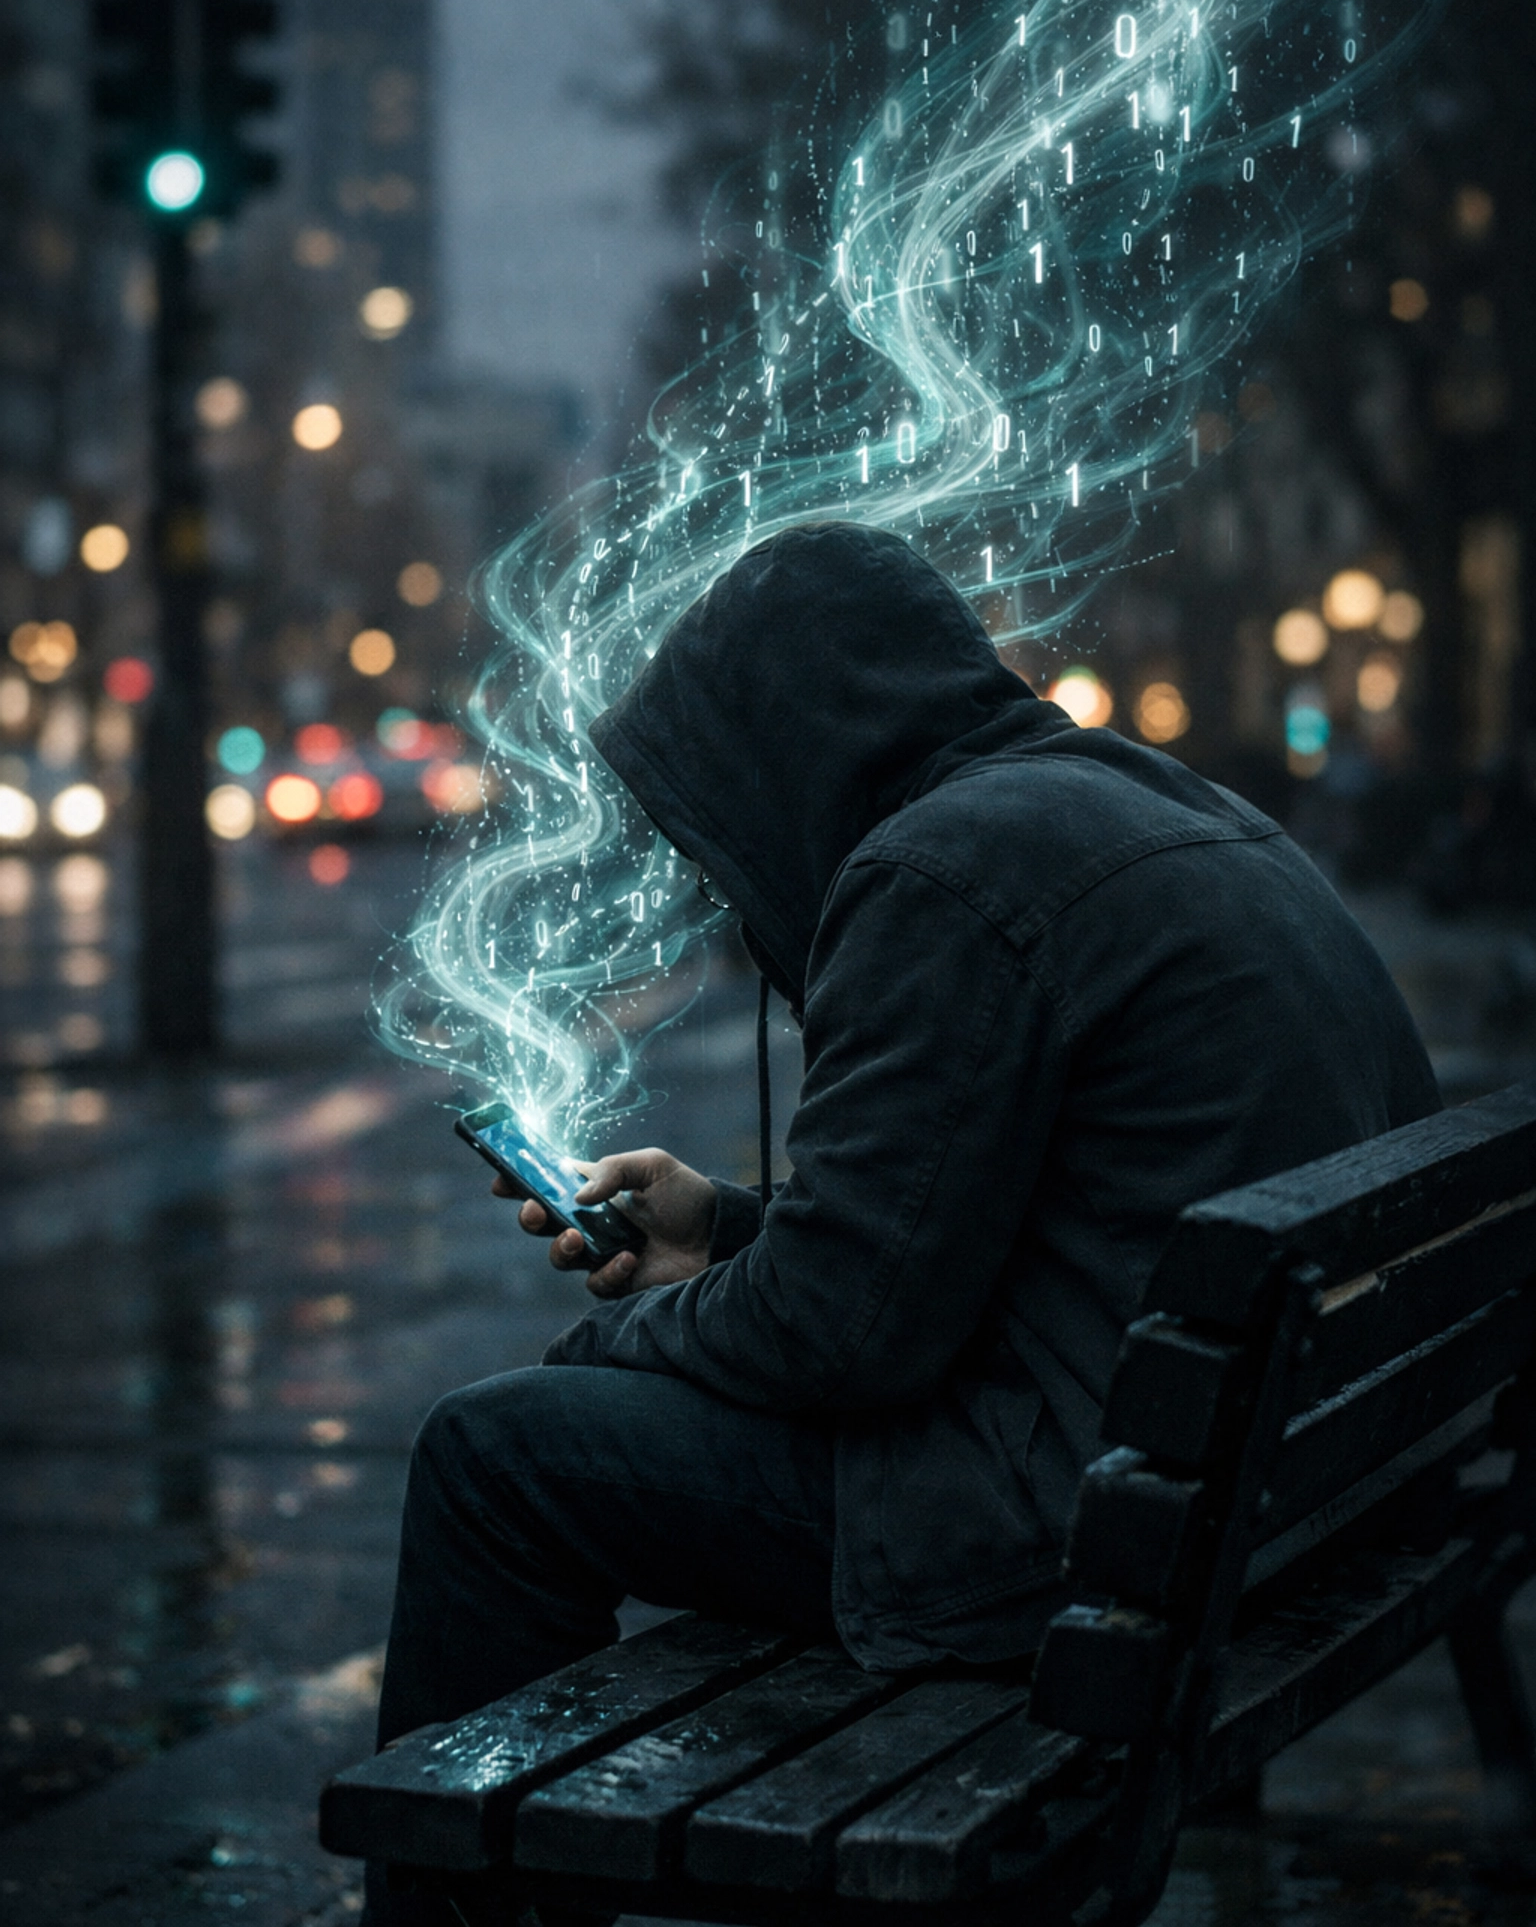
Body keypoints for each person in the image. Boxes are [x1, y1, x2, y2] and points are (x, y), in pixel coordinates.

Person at [366, 521, 1437, 1916]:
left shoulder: (936, 876)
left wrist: (637, 1339)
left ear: (780, 750)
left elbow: (841, 1337)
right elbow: (962, 1242)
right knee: (608, 1408)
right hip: (1298, 1491)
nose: (713, 880)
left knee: (498, 1453)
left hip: (1088, 1535)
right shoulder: (1157, 807)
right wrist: (730, 1237)